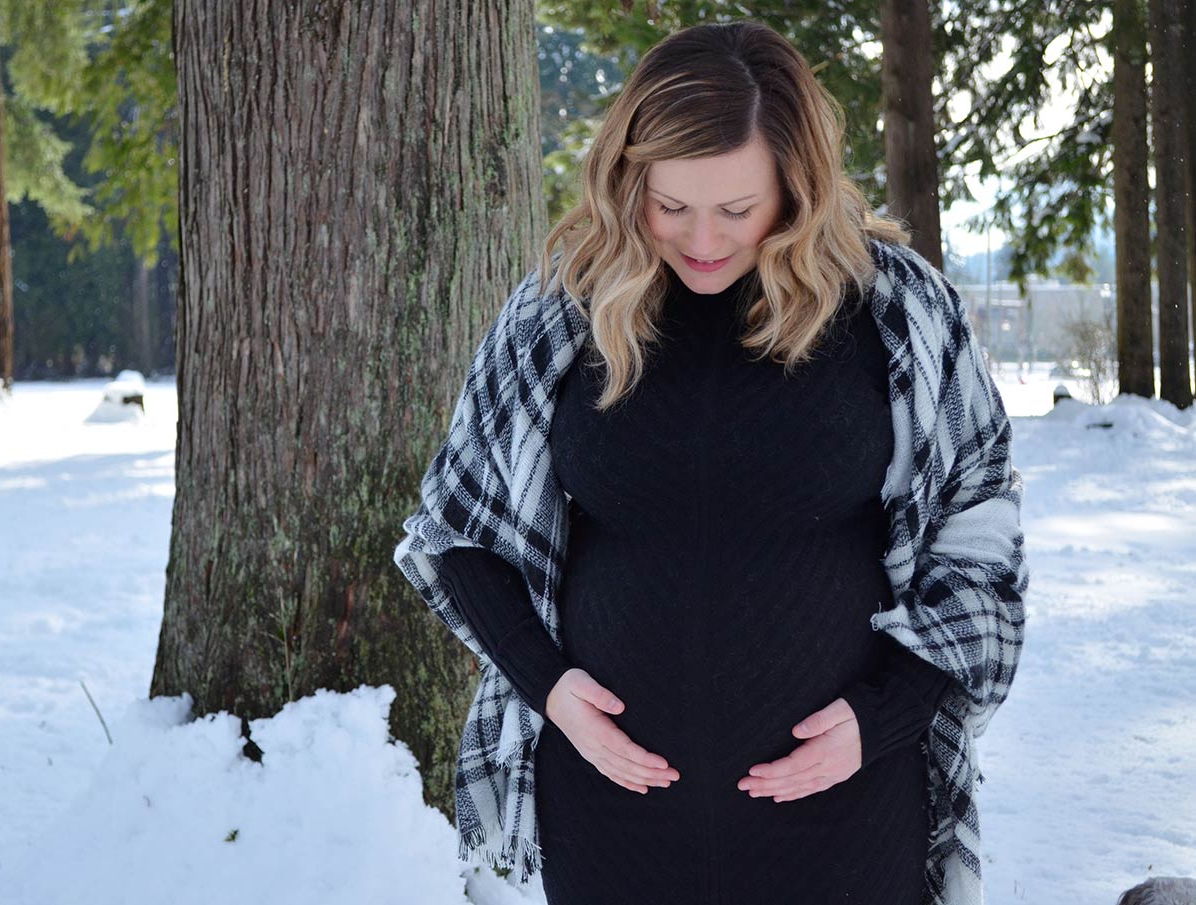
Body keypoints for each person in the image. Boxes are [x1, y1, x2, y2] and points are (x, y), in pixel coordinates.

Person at [394, 20, 1028, 905]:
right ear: (628, 181)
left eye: (737, 209)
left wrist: (881, 718)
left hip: (846, 816)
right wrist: (552, 690)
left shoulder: (898, 312)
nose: (701, 239)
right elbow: (457, 533)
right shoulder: (559, 312)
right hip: (614, 822)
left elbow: (980, 537)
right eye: (671, 205)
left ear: (798, 185)